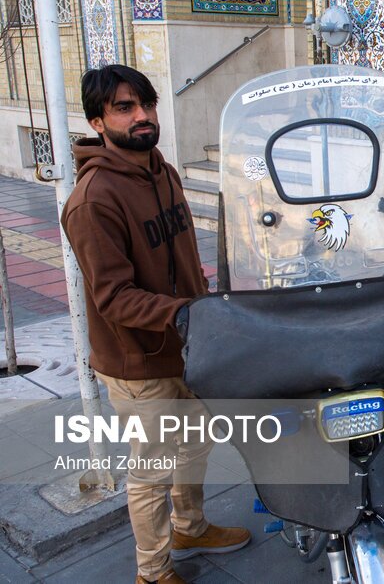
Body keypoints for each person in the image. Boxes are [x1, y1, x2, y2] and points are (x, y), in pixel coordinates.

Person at [61, 65, 250, 584]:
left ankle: (190, 527)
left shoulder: (161, 171)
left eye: (146, 104)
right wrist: (184, 312)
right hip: (139, 363)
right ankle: (152, 571)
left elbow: (181, 257)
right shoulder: (93, 199)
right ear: (98, 122)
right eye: (124, 108)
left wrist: (204, 308)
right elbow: (113, 297)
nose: (142, 115)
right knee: (151, 470)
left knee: (194, 443)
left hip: (187, 346)